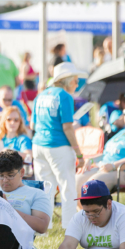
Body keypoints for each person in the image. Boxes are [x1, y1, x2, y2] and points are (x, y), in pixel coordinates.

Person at [32, 62, 87, 228]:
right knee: (67, 187)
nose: (77, 84)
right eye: (76, 80)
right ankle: (69, 225)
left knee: (45, 189)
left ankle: (44, 226)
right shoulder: (64, 96)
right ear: (68, 80)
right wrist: (79, 154)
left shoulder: (40, 95)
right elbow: (67, 127)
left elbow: (32, 125)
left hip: (39, 145)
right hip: (59, 146)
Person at [76, 102, 125, 195]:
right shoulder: (123, 132)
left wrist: (113, 166)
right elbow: (106, 154)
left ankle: (95, 209)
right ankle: (80, 210)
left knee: (92, 185)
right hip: (107, 168)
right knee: (77, 181)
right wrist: (90, 160)